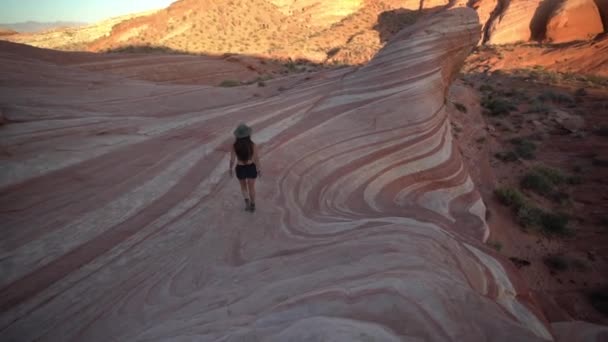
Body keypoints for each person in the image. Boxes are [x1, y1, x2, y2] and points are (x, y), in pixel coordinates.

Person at [229, 123, 261, 212]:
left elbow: (232, 160)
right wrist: (259, 169)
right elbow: (256, 159)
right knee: (251, 187)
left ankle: (247, 202)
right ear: (248, 134)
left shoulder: (234, 145)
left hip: (240, 168)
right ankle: (253, 204)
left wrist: (230, 169)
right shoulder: (252, 145)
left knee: (243, 186)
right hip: (251, 167)